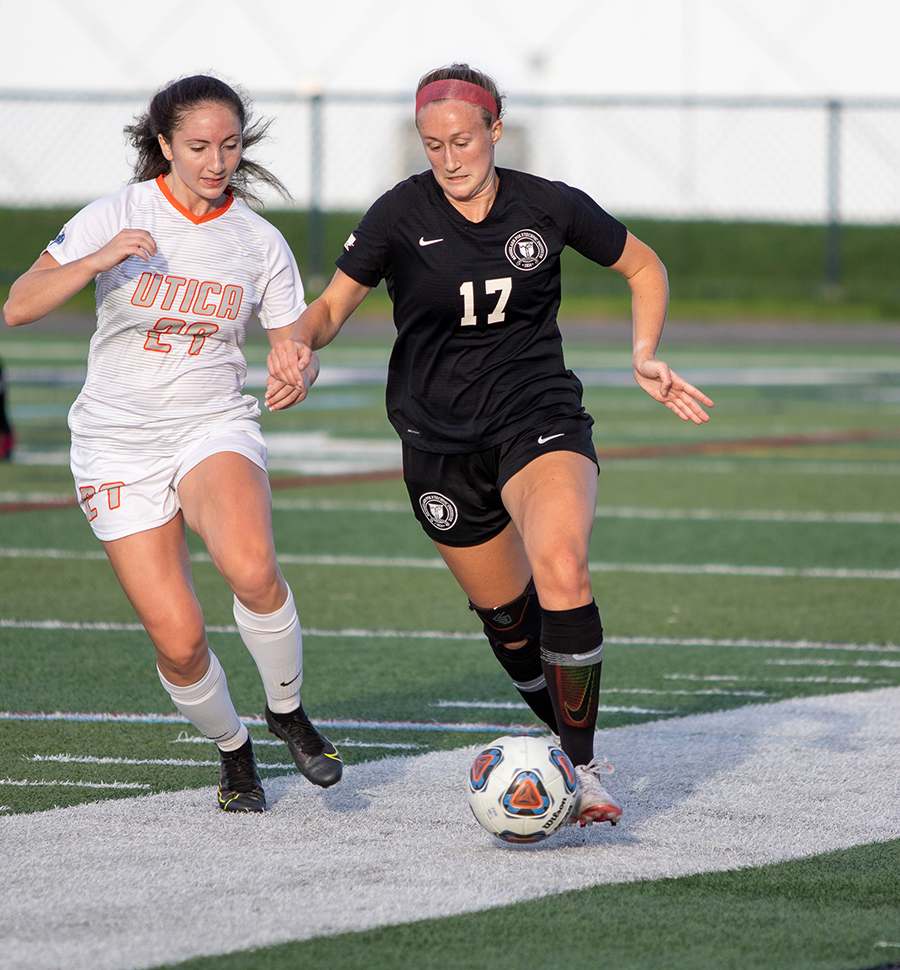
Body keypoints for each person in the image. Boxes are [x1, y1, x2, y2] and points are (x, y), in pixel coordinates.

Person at [268, 63, 713, 827]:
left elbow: (643, 265)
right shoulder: (398, 214)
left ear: (495, 131)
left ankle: (581, 764)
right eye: (433, 143)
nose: (449, 158)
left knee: (563, 565)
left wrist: (645, 351)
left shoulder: (547, 205)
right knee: (510, 623)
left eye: (463, 140)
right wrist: (298, 345)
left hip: (536, 414)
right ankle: (560, 732)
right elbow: (332, 306)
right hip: (438, 438)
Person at [3, 75, 342, 813]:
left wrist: (297, 367)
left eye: (229, 145)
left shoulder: (258, 242)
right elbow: (18, 306)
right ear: (163, 144)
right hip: (115, 445)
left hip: (210, 424)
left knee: (251, 566)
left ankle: (287, 711)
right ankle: (234, 751)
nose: (217, 161)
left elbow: (292, 343)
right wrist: (95, 261)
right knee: (181, 641)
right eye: (198, 146)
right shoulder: (115, 214)